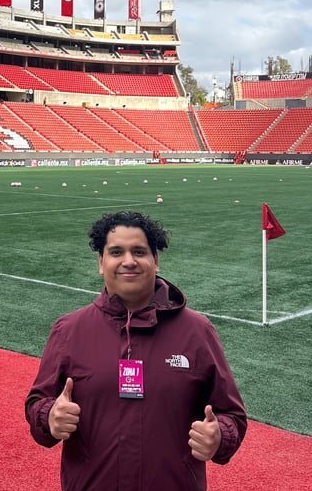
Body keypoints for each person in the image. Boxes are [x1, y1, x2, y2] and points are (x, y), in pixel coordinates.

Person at [25, 210, 246, 491]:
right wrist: (48, 416)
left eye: (139, 251)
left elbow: (233, 415)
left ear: (155, 260)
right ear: (101, 262)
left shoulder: (197, 331)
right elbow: (37, 402)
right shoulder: (69, 329)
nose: (128, 261)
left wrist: (219, 437)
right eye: (116, 252)